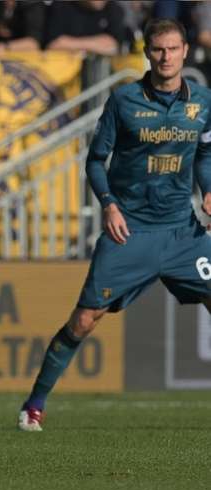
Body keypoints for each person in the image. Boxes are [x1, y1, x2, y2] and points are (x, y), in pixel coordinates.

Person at [19, 18, 211, 432]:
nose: (166, 56)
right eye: (158, 49)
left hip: (182, 231)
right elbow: (95, 160)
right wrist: (108, 204)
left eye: (173, 49)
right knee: (85, 319)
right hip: (131, 231)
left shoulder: (204, 101)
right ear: (147, 53)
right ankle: (34, 403)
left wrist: (208, 189)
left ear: (185, 52)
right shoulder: (124, 101)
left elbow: (206, 154)